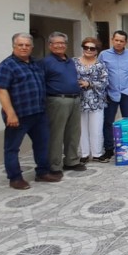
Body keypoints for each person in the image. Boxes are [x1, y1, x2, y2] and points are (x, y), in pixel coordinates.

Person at [0, 33, 61, 189]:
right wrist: (10, 113)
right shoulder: (6, 65)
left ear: (31, 47)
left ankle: (42, 172)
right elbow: (1, 90)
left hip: (38, 112)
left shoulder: (35, 63)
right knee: (12, 147)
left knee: (42, 144)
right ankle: (15, 178)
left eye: (27, 45)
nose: (24, 47)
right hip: (18, 115)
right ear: (14, 46)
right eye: (20, 45)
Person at [41, 32, 86, 174]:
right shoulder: (46, 62)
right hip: (57, 100)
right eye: (56, 43)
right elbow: (41, 83)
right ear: (50, 45)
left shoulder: (70, 61)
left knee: (73, 133)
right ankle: (54, 165)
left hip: (74, 99)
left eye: (63, 43)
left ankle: (71, 161)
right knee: (56, 134)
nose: (60, 45)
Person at [98, 30, 128, 162]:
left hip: (126, 94)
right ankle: (108, 150)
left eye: (121, 41)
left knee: (127, 122)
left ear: (126, 42)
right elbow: (99, 72)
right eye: (116, 40)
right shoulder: (104, 55)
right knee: (107, 122)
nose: (118, 43)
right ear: (112, 40)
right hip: (109, 93)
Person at [74, 37, 108, 164]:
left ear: (96, 51)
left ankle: (97, 153)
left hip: (96, 100)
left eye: (92, 48)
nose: (88, 50)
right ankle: (84, 154)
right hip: (79, 99)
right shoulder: (74, 62)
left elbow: (105, 82)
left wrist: (89, 83)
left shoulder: (100, 65)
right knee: (81, 128)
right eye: (86, 47)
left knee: (96, 128)